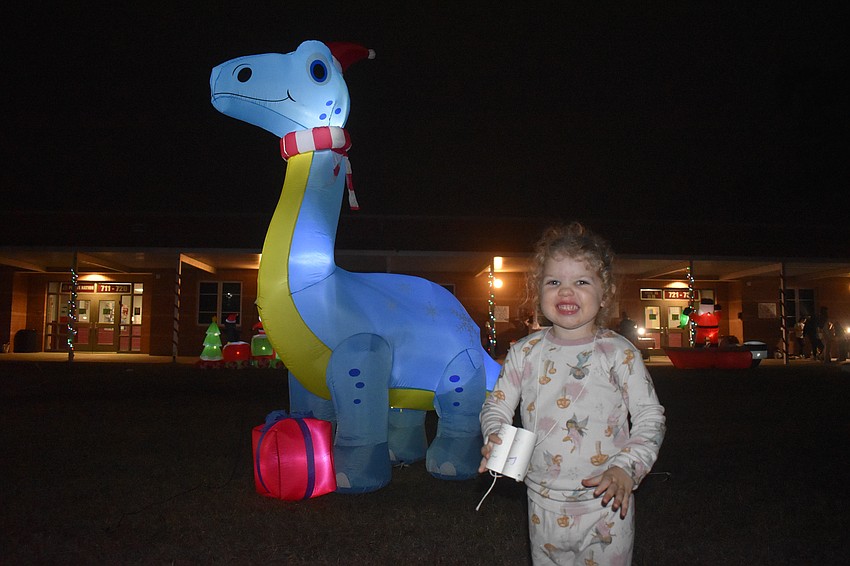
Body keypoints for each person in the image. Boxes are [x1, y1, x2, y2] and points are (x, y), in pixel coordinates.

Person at [478, 222, 666, 565]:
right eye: (554, 282)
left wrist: (627, 467)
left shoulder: (619, 353)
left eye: (581, 281)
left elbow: (650, 417)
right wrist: (495, 433)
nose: (566, 292)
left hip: (606, 503)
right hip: (542, 503)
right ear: (538, 292)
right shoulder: (524, 352)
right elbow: (498, 404)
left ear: (604, 293)